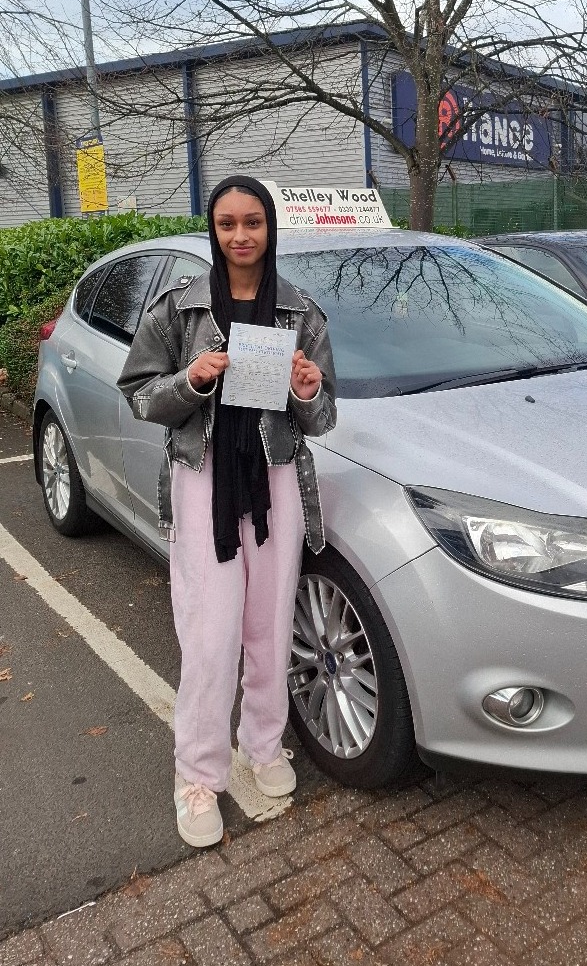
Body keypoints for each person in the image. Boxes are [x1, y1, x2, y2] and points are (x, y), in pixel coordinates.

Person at [117, 175, 336, 847]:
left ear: (270, 228)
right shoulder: (178, 308)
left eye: (253, 222)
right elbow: (139, 392)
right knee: (210, 637)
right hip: (203, 481)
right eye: (227, 224)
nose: (241, 235)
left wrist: (307, 390)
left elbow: (323, 418)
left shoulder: (300, 311)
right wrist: (192, 380)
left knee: (268, 627)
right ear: (213, 231)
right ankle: (197, 775)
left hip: (274, 483)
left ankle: (263, 744)